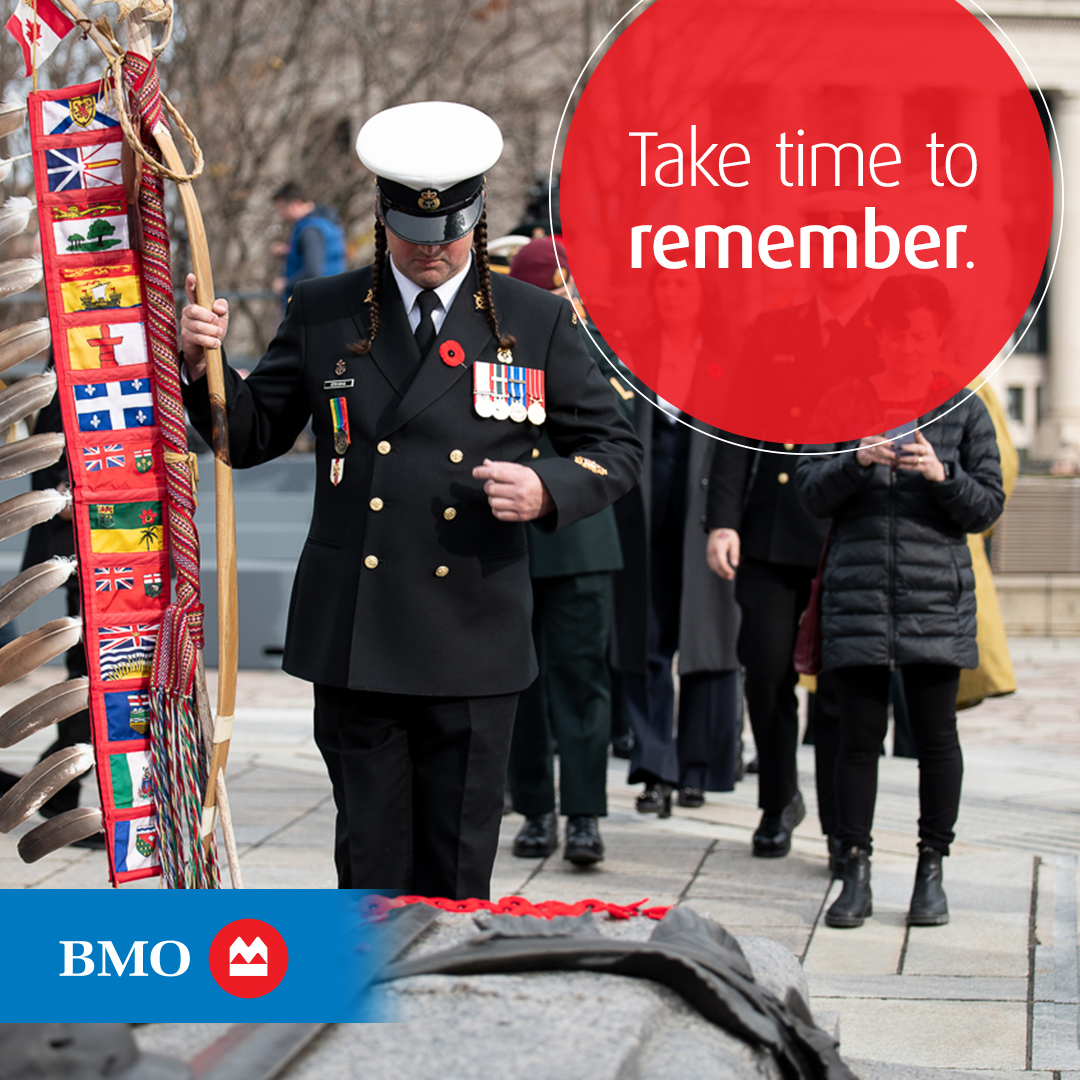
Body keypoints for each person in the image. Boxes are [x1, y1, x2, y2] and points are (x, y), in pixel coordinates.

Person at [179, 102, 642, 899]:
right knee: (369, 865)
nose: (432, 252)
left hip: (474, 632)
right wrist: (204, 369)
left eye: (450, 235)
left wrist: (546, 487)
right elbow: (249, 438)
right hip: (360, 631)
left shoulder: (533, 320)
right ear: (383, 220)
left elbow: (616, 449)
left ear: (477, 221)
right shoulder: (325, 309)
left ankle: (444, 1015)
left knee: (457, 871)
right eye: (413, 236)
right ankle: (359, 1016)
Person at [795, 275, 1005, 929]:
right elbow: (806, 491)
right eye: (897, 331)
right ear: (879, 335)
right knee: (857, 739)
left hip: (935, 595)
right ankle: (853, 868)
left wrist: (944, 477)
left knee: (937, 738)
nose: (909, 344)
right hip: (857, 594)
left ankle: (930, 870)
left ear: (936, 336)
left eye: (920, 333)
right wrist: (854, 462)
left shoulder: (964, 409)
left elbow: (988, 507)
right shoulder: (843, 399)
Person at [704, 218, 877, 865]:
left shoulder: (879, 334)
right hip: (771, 531)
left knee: (836, 685)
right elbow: (733, 435)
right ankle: (778, 802)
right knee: (767, 671)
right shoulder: (773, 330)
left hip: (845, 536)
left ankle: (839, 824)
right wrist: (721, 520)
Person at [505, 237, 623, 866]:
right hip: (511, 540)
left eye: (567, 289)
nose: (562, 302)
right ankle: (534, 808)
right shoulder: (494, 344)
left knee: (582, 683)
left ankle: (583, 814)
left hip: (579, 539)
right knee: (521, 683)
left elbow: (609, 442)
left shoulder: (594, 348)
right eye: (548, 290)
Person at [610, 268, 741, 817]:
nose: (672, 295)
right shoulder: (631, 354)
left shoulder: (728, 356)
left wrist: (728, 518)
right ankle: (654, 767)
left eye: (683, 286)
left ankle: (700, 768)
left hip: (703, 512)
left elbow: (739, 442)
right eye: (664, 286)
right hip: (641, 512)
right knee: (647, 637)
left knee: (709, 640)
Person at [270, 182, 347, 306]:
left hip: (315, 304)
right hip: (330, 298)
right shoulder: (324, 222)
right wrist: (289, 252)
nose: (281, 215)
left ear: (296, 204)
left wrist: (285, 285)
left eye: (282, 209)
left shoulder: (310, 230)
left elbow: (313, 272)